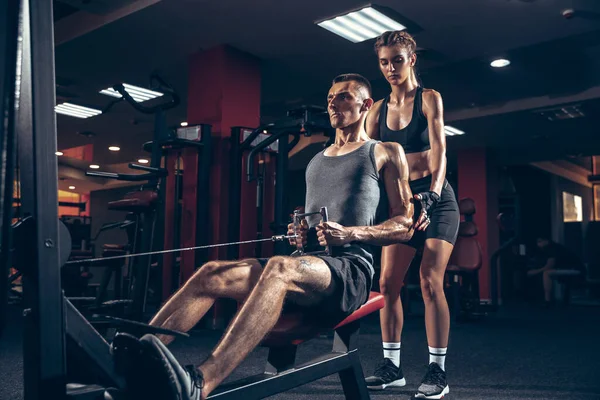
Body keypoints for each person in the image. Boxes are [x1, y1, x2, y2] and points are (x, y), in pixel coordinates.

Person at [120, 73, 416, 400]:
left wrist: (351, 232)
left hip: (349, 270)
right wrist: (300, 234)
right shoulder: (316, 160)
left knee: (278, 268)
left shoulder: (386, 151)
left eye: (344, 96)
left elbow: (405, 224)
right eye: (330, 96)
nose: (333, 102)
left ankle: (201, 383)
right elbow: (311, 230)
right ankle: (135, 362)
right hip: (309, 265)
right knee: (211, 273)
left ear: (365, 105)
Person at [364, 30, 460, 399]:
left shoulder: (428, 99)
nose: (390, 68)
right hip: (401, 204)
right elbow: (365, 159)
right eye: (384, 62)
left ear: (412, 59)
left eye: (397, 60)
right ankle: (392, 368)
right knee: (387, 284)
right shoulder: (376, 111)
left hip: (437, 200)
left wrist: (433, 196)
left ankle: (438, 371)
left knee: (429, 281)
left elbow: (440, 152)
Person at [526, 235, 584, 306]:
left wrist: (534, 272)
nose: (538, 244)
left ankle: (547, 301)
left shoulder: (552, 248)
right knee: (547, 273)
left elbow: (549, 266)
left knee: (547, 273)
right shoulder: (552, 248)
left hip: (576, 269)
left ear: (546, 241)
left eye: (540, 241)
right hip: (572, 268)